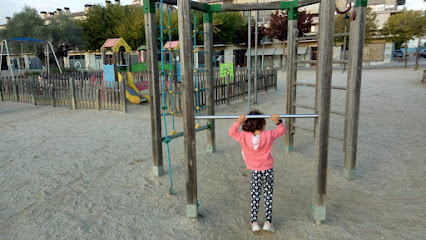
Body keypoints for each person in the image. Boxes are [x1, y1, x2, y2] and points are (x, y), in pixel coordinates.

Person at [228, 110, 286, 232]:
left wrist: (238, 122)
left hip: (255, 171)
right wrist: (278, 122)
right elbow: (282, 130)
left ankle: (254, 222)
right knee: (268, 195)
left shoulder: (243, 136)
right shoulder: (268, 135)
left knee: (255, 195)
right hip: (268, 170)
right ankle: (268, 222)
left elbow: (231, 132)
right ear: (263, 124)